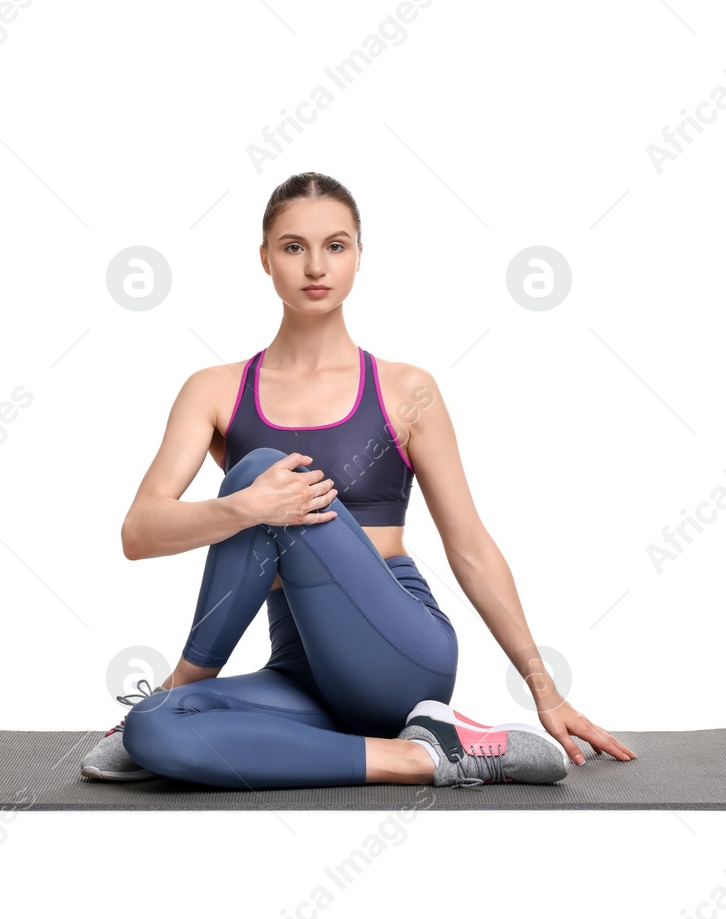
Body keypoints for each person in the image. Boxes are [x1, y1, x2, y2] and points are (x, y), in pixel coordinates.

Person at [81, 171, 636, 790]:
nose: (315, 265)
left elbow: (470, 547)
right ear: (265, 259)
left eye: (335, 245)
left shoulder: (406, 391)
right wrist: (246, 507)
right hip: (301, 676)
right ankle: (429, 756)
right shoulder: (213, 391)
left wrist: (546, 690)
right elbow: (139, 532)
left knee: (261, 467)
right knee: (153, 729)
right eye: (293, 247)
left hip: (400, 653)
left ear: (358, 257)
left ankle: (183, 681)